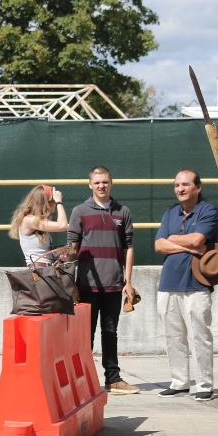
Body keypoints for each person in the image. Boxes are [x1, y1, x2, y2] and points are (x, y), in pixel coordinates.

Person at [67, 166, 139, 394]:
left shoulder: (123, 212)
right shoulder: (79, 211)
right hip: (86, 286)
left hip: (114, 285)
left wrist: (128, 281)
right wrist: (70, 283)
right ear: (90, 184)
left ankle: (113, 379)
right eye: (97, 182)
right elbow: (72, 250)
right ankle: (85, 382)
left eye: (105, 182)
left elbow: (128, 247)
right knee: (85, 337)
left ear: (111, 183)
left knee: (110, 333)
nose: (101, 186)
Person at [154, 169, 218, 400]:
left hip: (197, 284)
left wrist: (174, 239)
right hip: (168, 284)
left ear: (198, 187)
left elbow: (197, 239)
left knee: (199, 336)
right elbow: (159, 245)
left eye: (185, 185)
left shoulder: (208, 210)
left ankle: (204, 385)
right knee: (173, 337)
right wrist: (186, 247)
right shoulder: (170, 213)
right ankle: (179, 382)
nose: (180, 189)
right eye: (176, 185)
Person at [8, 185, 68, 265]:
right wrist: (59, 202)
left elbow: (41, 251)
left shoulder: (35, 221)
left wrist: (60, 254)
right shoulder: (29, 220)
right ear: (46, 202)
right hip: (39, 271)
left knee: (73, 248)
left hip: (46, 270)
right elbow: (62, 226)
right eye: (53, 200)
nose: (55, 203)